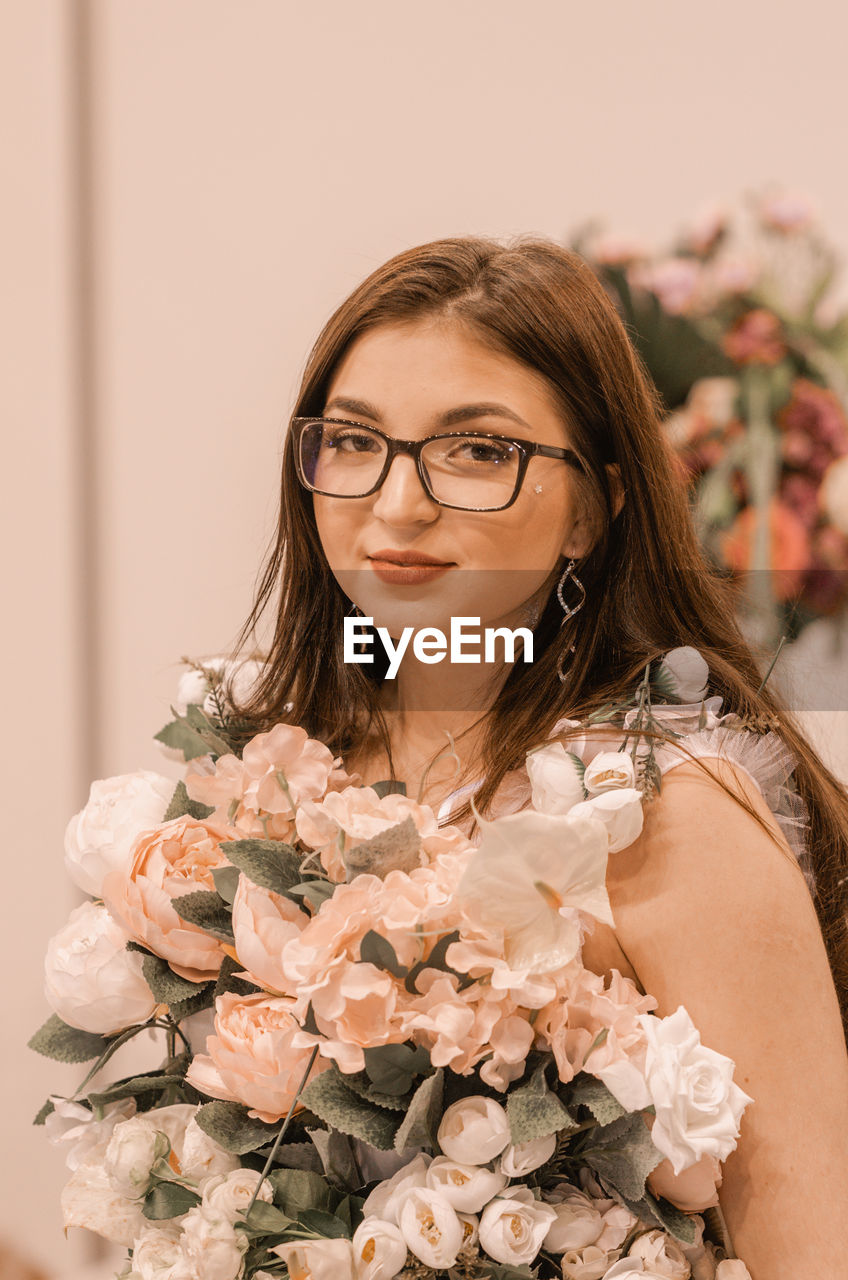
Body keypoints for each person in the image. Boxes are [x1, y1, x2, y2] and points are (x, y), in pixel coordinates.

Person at [218, 235, 848, 1276]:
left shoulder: (662, 810)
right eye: (354, 439)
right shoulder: (271, 772)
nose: (397, 502)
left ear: (590, 509)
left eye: (477, 450)